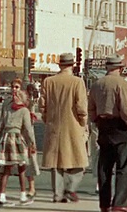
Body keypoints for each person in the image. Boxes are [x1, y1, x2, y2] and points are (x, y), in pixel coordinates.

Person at [39, 52, 88, 204]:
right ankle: (70, 187)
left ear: (60, 65)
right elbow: (81, 106)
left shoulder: (49, 81)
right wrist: (83, 122)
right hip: (73, 126)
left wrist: (47, 119)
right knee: (80, 162)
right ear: (72, 65)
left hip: (54, 125)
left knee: (56, 163)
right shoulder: (77, 82)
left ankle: (57, 194)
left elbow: (42, 105)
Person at [88, 55, 127, 212]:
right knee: (124, 166)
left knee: (104, 167)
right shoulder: (122, 84)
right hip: (120, 126)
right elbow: (126, 108)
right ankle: (120, 203)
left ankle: (104, 203)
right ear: (120, 68)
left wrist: (96, 120)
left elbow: (91, 108)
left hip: (103, 125)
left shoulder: (96, 84)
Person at [0, 85, 36, 207]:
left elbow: (0, 125)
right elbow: (28, 129)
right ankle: (23, 195)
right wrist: (31, 143)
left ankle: (2, 195)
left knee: (6, 169)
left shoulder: (8, 109)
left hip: (5, 138)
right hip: (17, 139)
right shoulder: (24, 111)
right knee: (22, 168)